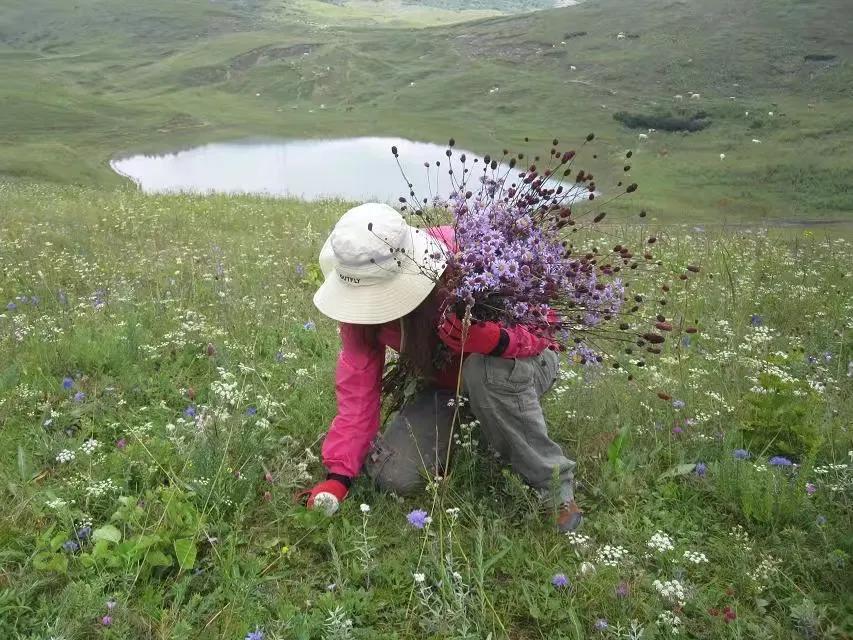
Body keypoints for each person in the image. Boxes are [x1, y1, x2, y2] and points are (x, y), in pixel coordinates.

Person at [302, 202, 581, 532]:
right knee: (392, 476)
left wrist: (497, 340)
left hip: (516, 363)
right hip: (446, 386)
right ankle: (479, 425)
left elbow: (544, 325)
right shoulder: (359, 310)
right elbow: (358, 388)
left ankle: (554, 489)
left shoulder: (469, 254)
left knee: (483, 372)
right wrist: (339, 475)